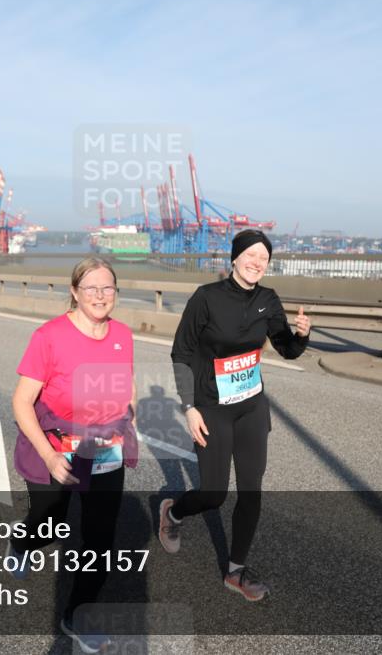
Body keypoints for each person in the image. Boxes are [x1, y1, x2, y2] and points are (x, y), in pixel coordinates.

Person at [159, 229, 311, 602]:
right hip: (211, 407)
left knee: (251, 490)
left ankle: (236, 571)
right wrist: (189, 407)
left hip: (251, 407)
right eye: (251, 255)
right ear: (235, 257)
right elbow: (181, 353)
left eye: (264, 258)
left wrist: (302, 336)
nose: (257, 263)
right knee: (213, 494)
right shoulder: (206, 298)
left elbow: (286, 349)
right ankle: (173, 512)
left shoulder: (269, 300)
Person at [8, 257, 137, 653]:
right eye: (91, 288)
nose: (100, 296)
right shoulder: (49, 336)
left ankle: (77, 615)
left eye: (108, 288)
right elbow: (21, 402)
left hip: (103, 449)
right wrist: (48, 458)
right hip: (54, 445)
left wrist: (131, 419)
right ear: (75, 292)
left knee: (100, 538)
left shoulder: (123, 334)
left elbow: (126, 385)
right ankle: (22, 543)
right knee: (51, 524)